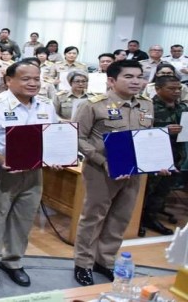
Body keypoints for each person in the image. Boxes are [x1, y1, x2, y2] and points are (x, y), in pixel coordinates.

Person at [71, 61, 166, 286]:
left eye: (139, 77)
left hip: (133, 171)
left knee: (120, 217)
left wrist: (157, 161)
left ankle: (104, 261)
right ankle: (82, 263)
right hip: (101, 171)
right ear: (111, 80)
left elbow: (147, 137)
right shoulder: (94, 104)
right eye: (129, 77)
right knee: (93, 218)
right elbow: (77, 136)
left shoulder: (146, 104)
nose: (136, 81)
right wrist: (102, 161)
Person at [0, 59, 59, 288]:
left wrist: (57, 156)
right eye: (26, 79)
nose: (33, 83)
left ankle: (13, 261)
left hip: (33, 173)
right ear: (9, 80)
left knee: (23, 218)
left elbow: (55, 135)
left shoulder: (46, 105)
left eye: (37, 79)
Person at [140, 75, 186, 236]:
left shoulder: (182, 108)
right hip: (153, 157)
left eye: (178, 88)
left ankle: (150, 217)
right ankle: (137, 219)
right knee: (146, 191)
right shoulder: (147, 107)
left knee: (162, 191)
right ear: (158, 89)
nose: (176, 91)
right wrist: (164, 131)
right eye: (171, 88)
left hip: (175, 156)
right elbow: (139, 132)